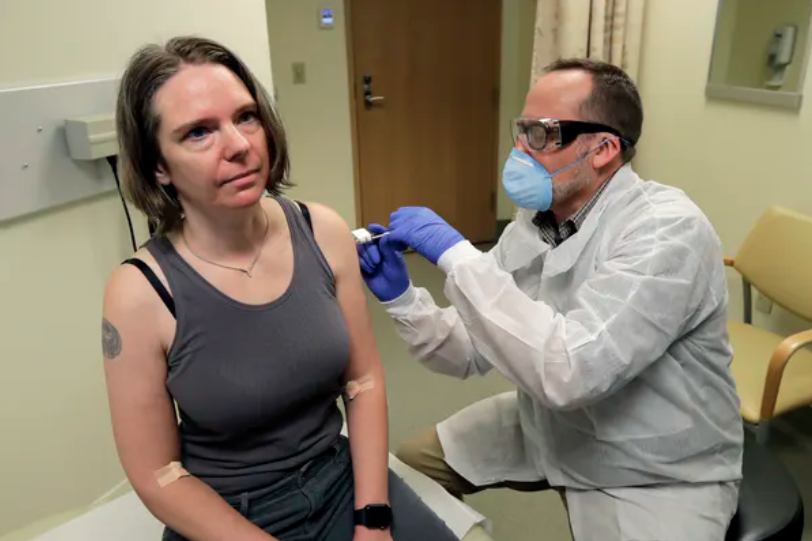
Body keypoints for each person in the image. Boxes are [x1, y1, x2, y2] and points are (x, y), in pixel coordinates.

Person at [358, 58, 744, 541]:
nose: (520, 149)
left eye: (542, 134)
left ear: (604, 149)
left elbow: (572, 370)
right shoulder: (535, 222)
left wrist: (459, 257)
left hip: (654, 466)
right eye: (521, 131)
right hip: (553, 425)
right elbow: (468, 349)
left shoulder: (667, 231)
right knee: (414, 469)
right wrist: (403, 299)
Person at [101, 36, 457, 541]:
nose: (240, 145)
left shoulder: (323, 232)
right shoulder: (140, 293)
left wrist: (373, 520)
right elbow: (158, 476)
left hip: (341, 482)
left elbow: (364, 381)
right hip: (228, 517)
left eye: (245, 117)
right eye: (199, 132)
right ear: (158, 165)